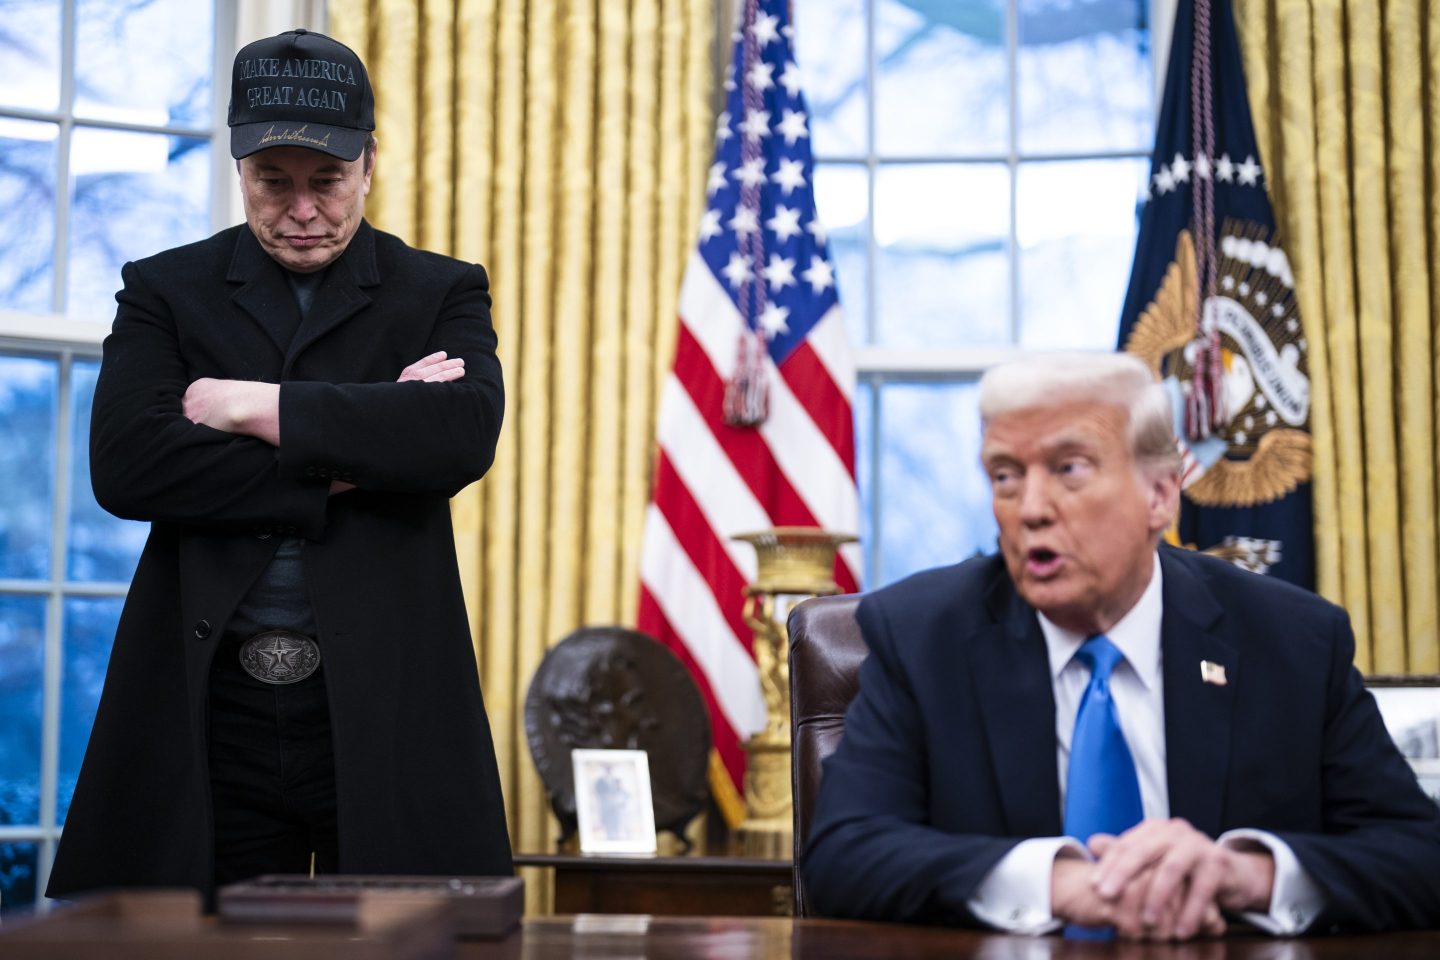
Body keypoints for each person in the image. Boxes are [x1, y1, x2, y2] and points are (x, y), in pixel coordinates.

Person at [47, 29, 513, 901]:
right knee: (184, 945)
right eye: (273, 181)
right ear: (240, 170)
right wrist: (362, 446)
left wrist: (247, 407)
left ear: (369, 164)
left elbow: (459, 436)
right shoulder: (164, 288)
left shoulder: (439, 290)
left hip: (384, 697)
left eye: (326, 180)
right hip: (206, 702)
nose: (302, 209)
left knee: (403, 945)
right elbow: (129, 466)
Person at [801, 352, 1440, 939]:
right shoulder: (922, 636)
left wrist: (1245, 875)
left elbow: (1419, 856)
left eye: (1069, 469)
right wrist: (1061, 883)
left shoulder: (1293, 643)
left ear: (1159, 494)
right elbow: (841, 855)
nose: (1031, 509)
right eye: (1005, 476)